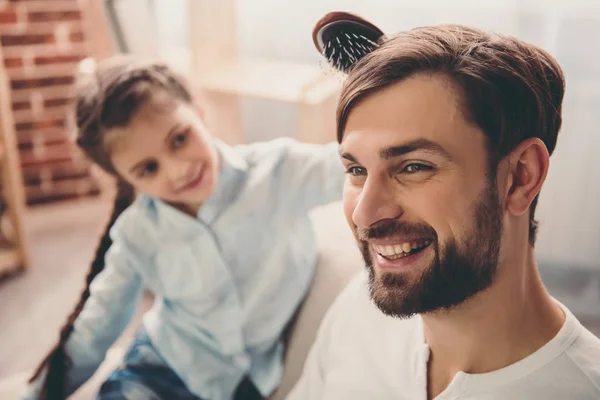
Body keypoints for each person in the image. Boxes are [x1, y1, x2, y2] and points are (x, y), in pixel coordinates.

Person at [287, 16, 600, 400]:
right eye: (356, 169)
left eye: (414, 167)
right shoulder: (358, 310)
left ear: (520, 177)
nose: (364, 214)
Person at [21, 55, 343, 400]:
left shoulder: (278, 171)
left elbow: (353, 166)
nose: (177, 171)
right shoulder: (137, 233)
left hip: (249, 381)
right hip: (160, 366)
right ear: (126, 180)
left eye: (179, 139)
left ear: (198, 110)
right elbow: (97, 325)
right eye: (148, 169)